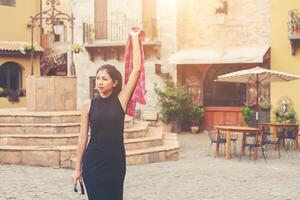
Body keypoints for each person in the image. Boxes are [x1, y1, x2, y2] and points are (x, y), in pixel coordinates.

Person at [72, 28, 142, 200]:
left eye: (104, 79)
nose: (100, 82)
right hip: (93, 162)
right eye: (97, 79)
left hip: (115, 161)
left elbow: (137, 70)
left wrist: (134, 38)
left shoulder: (121, 100)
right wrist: (77, 168)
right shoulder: (87, 105)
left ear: (114, 82)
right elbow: (82, 138)